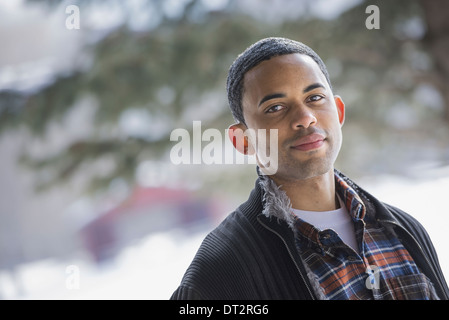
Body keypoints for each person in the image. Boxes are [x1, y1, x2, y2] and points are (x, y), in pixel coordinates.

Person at [170, 37, 449, 300]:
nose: (305, 118)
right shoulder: (221, 271)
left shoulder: (405, 230)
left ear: (338, 112)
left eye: (315, 98)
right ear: (243, 140)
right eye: (275, 107)